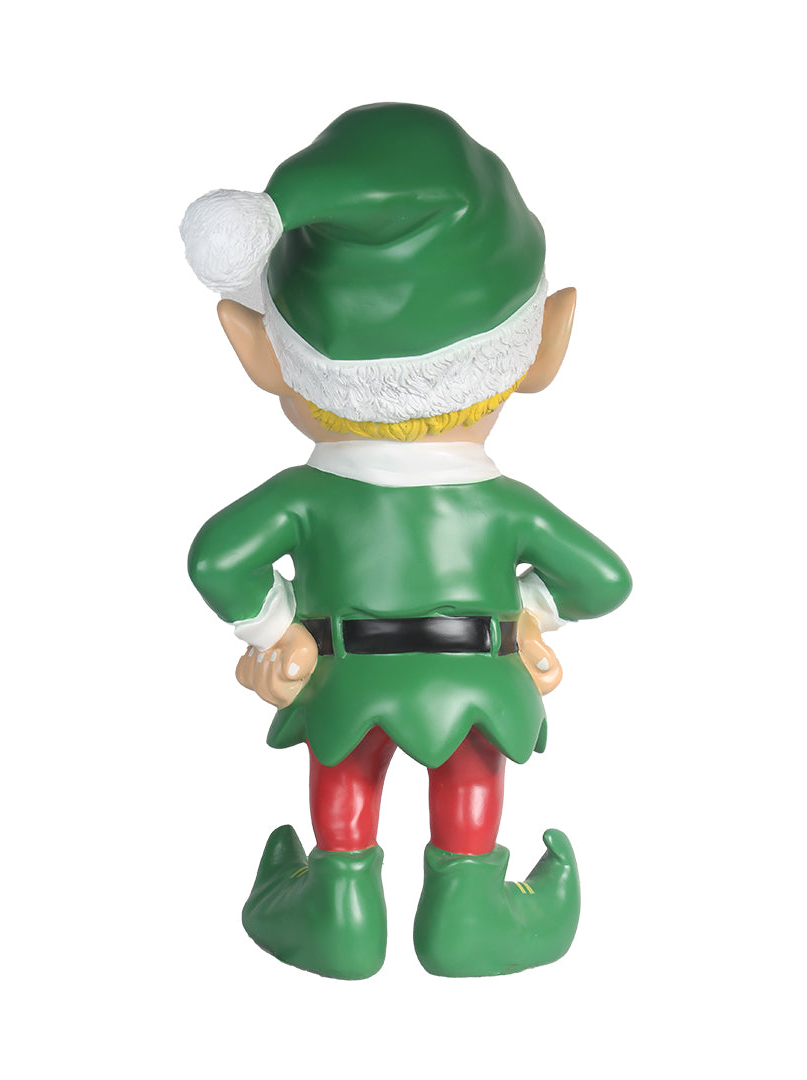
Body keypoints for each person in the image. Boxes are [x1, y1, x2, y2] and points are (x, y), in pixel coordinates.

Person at [181, 103, 631, 979]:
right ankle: (471, 906)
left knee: (345, 777)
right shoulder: (506, 506)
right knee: (470, 774)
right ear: (546, 346)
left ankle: (338, 907)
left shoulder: (305, 497)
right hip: (476, 675)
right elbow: (604, 581)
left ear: (262, 356)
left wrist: (277, 634)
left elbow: (216, 559)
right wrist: (528, 616)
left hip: (345, 673)